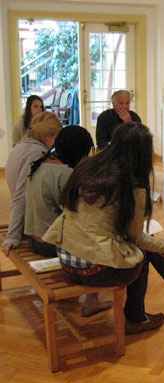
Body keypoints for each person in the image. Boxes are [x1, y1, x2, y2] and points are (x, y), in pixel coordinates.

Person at [43, 122, 164, 334]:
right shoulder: (130, 184)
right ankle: (137, 317)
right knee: (142, 253)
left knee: (139, 247)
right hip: (92, 269)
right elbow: (136, 237)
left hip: (66, 257)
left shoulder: (88, 167)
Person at [25, 125, 111, 317]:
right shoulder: (65, 174)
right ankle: (92, 300)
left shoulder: (42, 164)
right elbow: (80, 215)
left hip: (34, 237)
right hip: (48, 243)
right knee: (100, 235)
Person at [2, 112, 62, 254]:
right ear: (49, 137)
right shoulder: (37, 153)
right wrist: (13, 236)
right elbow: (21, 196)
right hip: (31, 226)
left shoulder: (20, 146)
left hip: (29, 219)